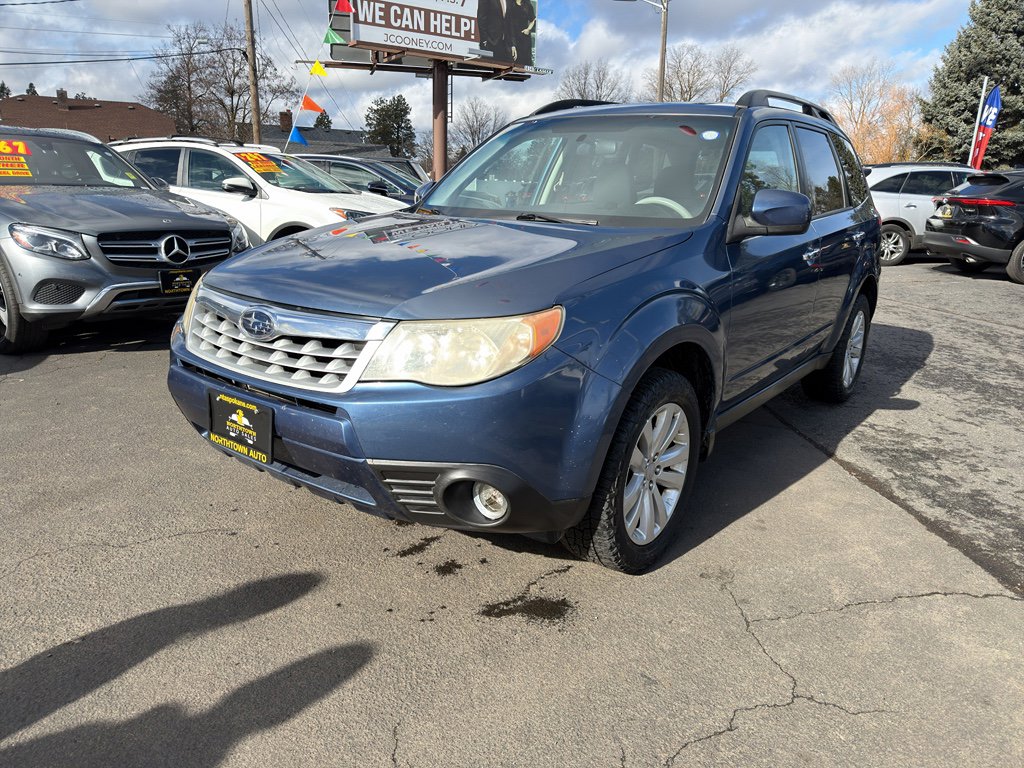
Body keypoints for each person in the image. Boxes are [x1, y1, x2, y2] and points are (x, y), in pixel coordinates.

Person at [477, 0, 513, 65]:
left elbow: (510, 23)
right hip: (490, 43)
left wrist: (512, 44)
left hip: (505, 45)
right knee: (488, 70)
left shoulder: (509, 1)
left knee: (505, 72)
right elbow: (481, 19)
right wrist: (485, 40)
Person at [509, 0, 536, 65]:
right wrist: (512, 44)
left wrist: (528, 29)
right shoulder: (510, 4)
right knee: (512, 63)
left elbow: (533, 20)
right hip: (512, 36)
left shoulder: (528, 5)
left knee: (524, 64)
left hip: (524, 39)